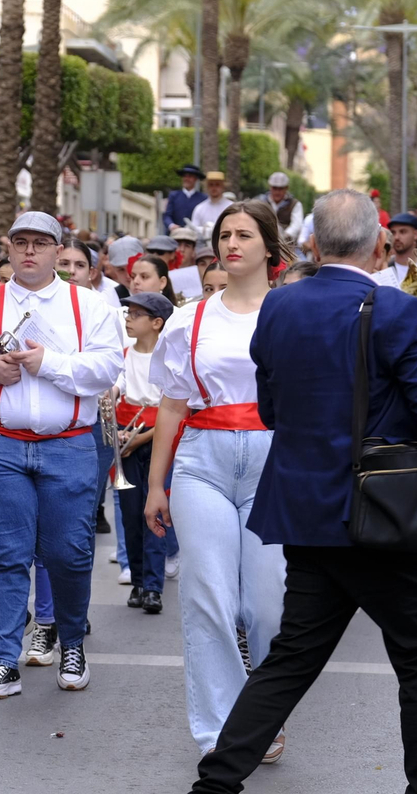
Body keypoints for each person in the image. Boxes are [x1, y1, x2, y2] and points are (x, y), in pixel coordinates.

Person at [190, 189, 417, 794]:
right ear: (378, 245)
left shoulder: (280, 309)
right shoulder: (397, 310)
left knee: (292, 658)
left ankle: (216, 781)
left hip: (308, 513)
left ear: (312, 243)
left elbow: (272, 408)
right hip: (386, 515)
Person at [0, 212, 122, 698]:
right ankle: (4, 661)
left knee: (69, 553)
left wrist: (49, 364)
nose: (30, 252)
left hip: (69, 444)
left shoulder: (88, 305)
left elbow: (107, 367)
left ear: (58, 251)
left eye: (40, 243)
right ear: (10, 248)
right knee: (5, 555)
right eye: (21, 242)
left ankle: (73, 643)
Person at [145, 199, 290, 759]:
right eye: (224, 234)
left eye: (244, 235)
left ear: (269, 249)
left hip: (274, 460)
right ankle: (221, 732)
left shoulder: (289, 311)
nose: (231, 244)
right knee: (207, 598)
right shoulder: (189, 318)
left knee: (268, 605)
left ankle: (265, 713)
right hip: (201, 460)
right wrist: (156, 486)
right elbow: (171, 407)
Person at [115, 291, 171, 613]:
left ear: (156, 322)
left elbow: (172, 409)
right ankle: (137, 581)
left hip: (155, 437)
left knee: (155, 513)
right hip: (126, 435)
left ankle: (153, 587)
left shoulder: (167, 359)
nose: (128, 320)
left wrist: (141, 437)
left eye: (136, 315)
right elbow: (117, 388)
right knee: (130, 515)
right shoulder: (123, 355)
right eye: (128, 313)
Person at [258, 172, 304, 247]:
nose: (277, 192)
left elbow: (297, 225)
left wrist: (284, 236)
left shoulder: (295, 204)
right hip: (264, 242)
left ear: (286, 188)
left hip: (288, 245)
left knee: (300, 258)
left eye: (280, 188)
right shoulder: (261, 202)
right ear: (270, 187)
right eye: (274, 188)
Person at [164, 164, 207, 232]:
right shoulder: (174, 196)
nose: (186, 179)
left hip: (194, 236)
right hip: (175, 234)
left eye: (190, 176)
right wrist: (171, 225)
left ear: (195, 179)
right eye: (184, 176)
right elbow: (167, 216)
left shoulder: (203, 198)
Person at [188, 172, 231, 236]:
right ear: (207, 187)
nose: (214, 188)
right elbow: (194, 231)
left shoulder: (230, 207)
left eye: (217, 185)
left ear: (223, 186)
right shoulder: (199, 208)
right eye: (211, 185)